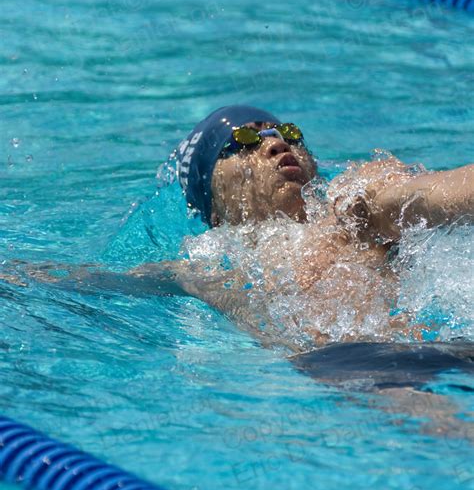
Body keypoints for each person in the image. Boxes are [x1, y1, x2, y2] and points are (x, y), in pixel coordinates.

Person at [7, 104, 474, 351]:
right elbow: (86, 280)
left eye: (287, 133)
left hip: (430, 353)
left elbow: (429, 196)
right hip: (345, 374)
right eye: (241, 142)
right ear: (213, 204)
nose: (273, 144)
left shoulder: (352, 209)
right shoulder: (205, 267)